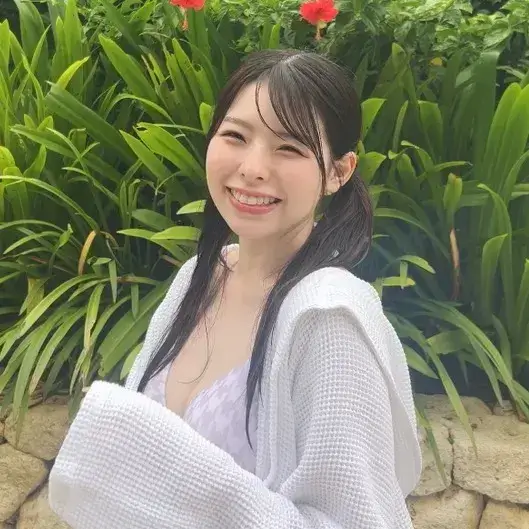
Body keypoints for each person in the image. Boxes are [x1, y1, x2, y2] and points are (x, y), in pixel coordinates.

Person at [48, 49, 421, 529]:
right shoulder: (197, 279)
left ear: (339, 171)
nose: (252, 167)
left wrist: (208, 496)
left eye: (289, 148)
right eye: (235, 136)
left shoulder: (326, 321)